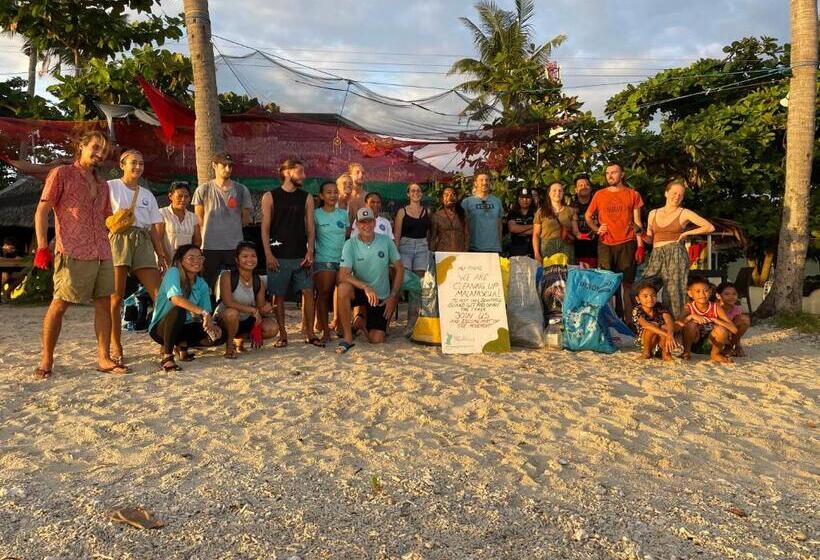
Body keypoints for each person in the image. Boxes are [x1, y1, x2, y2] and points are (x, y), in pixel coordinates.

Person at [32, 130, 125, 378]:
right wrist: (42, 247)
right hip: (72, 250)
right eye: (95, 147)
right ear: (82, 146)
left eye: (104, 151)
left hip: (103, 250)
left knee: (104, 303)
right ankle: (46, 358)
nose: (99, 154)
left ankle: (104, 357)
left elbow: (105, 217)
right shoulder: (61, 174)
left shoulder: (103, 184)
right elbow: (42, 211)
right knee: (60, 304)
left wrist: (118, 221)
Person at [107, 149, 168, 367]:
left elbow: (154, 229)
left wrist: (160, 254)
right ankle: (116, 344)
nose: (138, 167)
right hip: (118, 239)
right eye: (133, 162)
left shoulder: (147, 195)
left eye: (141, 163)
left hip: (142, 239)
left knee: (159, 294)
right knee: (115, 297)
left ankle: (165, 341)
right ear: (122, 165)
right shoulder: (110, 186)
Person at [260, 159, 319, 348]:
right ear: (287, 173)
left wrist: (310, 251)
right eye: (300, 172)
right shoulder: (270, 196)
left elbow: (310, 227)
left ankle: (310, 333)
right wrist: (268, 254)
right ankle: (283, 334)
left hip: (301, 256)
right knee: (278, 296)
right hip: (278, 256)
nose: (304, 176)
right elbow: (265, 228)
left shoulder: (306, 197)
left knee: (308, 292)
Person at [642, 180, 715, 318]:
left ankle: (676, 324)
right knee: (644, 287)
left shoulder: (684, 213)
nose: (677, 197)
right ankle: (649, 321)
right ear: (666, 193)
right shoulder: (653, 213)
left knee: (673, 293)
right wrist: (639, 233)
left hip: (675, 252)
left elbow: (709, 227)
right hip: (656, 254)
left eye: (681, 195)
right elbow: (650, 239)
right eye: (674, 193)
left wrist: (687, 233)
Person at [335, 207, 404, 353]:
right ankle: (348, 337)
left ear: (375, 222)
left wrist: (393, 296)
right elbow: (343, 275)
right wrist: (365, 287)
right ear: (357, 225)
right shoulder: (350, 244)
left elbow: (399, 269)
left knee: (377, 339)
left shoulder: (386, 241)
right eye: (362, 222)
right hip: (362, 291)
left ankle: (361, 321)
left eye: (369, 221)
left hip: (380, 296)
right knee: (342, 288)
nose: (366, 226)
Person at [585, 162, 645, 321]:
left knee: (627, 285)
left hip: (627, 242)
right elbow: (588, 216)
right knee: (607, 283)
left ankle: (629, 323)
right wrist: (597, 229)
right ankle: (610, 322)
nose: (610, 175)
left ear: (622, 174)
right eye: (607, 173)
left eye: (614, 172)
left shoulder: (633, 194)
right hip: (606, 243)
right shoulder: (599, 195)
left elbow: (637, 221)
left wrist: (640, 245)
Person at [149, 244, 217, 371]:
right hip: (161, 329)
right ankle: (167, 357)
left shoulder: (201, 283)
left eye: (200, 258)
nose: (197, 261)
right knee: (178, 310)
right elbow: (176, 299)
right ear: (180, 261)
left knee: (219, 332)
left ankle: (182, 345)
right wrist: (202, 312)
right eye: (191, 258)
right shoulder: (173, 272)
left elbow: (206, 312)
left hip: (185, 327)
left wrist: (211, 325)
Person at [192, 153, 253, 290]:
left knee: (235, 285)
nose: (228, 169)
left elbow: (245, 219)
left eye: (230, 166)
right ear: (214, 166)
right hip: (209, 247)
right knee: (206, 285)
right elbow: (199, 219)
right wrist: (199, 243)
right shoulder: (203, 189)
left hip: (234, 246)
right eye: (224, 165)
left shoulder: (241, 190)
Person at [214, 241, 276, 358]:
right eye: (245, 256)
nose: (250, 259)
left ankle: (240, 339)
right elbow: (228, 302)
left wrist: (267, 308)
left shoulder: (258, 280)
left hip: (246, 319)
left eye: (253, 256)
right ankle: (229, 346)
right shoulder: (227, 276)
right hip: (225, 320)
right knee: (232, 313)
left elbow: (260, 308)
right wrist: (253, 310)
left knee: (272, 328)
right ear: (237, 260)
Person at [313, 180, 350, 343]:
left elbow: (347, 236)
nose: (333, 195)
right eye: (328, 192)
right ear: (321, 196)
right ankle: (325, 331)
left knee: (342, 294)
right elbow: (310, 236)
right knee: (324, 294)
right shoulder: (315, 214)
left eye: (335, 192)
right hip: (324, 260)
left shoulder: (343, 214)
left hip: (342, 262)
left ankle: (341, 326)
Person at [393, 183, 430, 332]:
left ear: (421, 193)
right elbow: (397, 234)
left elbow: (429, 233)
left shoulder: (427, 211)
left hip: (422, 247)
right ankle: (388, 320)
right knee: (402, 281)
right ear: (408, 194)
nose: (416, 193)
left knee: (417, 286)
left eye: (418, 190)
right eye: (412, 190)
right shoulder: (402, 212)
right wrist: (395, 255)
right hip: (405, 247)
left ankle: (411, 324)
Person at [676, 276, 737, 364]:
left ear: (710, 291)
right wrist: (691, 317)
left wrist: (715, 320)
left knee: (721, 330)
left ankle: (715, 354)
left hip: (712, 344)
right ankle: (686, 352)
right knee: (691, 325)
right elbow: (676, 327)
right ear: (690, 293)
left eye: (706, 291)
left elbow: (734, 329)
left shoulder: (716, 307)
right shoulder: (688, 308)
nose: (702, 294)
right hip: (694, 344)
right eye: (698, 291)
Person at [533, 182, 581, 264]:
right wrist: (537, 253)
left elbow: (576, 232)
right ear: (549, 193)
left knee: (567, 271)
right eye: (554, 190)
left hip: (566, 247)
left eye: (560, 191)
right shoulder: (541, 212)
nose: (557, 193)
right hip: (547, 247)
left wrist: (591, 233)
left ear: (563, 193)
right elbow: (536, 234)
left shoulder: (570, 211)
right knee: (549, 271)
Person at [632, 281, 676, 361]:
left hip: (660, 339)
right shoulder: (637, 310)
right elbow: (646, 325)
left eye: (653, 295)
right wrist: (667, 335)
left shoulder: (659, 306)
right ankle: (646, 352)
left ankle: (665, 353)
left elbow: (669, 320)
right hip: (645, 340)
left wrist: (670, 334)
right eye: (645, 296)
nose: (650, 299)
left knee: (666, 327)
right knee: (653, 326)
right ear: (638, 299)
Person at [461, 172, 503, 253]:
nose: (484, 182)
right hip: (474, 248)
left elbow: (500, 225)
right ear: (475, 183)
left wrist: (500, 245)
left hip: (494, 249)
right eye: (481, 180)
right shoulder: (467, 202)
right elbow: (463, 226)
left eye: (487, 180)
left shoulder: (497, 201)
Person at [159, 180, 201, 258]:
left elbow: (197, 241)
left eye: (186, 197)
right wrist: (166, 259)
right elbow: (158, 239)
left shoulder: (193, 217)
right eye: (180, 196)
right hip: (165, 260)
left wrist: (190, 258)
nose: (183, 200)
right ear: (170, 196)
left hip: (185, 261)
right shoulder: (162, 213)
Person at [715, 281, 751, 357]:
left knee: (745, 319)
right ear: (718, 296)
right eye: (727, 294)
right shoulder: (714, 307)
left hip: (728, 336)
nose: (731, 297)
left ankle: (729, 347)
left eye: (734, 294)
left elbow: (737, 330)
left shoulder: (736, 309)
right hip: (715, 337)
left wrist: (738, 345)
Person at [430, 186, 469, 253]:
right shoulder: (436, 216)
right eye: (446, 195)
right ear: (442, 199)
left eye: (453, 194)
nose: (449, 197)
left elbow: (467, 235)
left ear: (456, 198)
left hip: (460, 253)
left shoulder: (463, 215)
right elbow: (433, 237)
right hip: (442, 253)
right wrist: (432, 254)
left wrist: (465, 252)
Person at [571, 173, 597, 268]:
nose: (584, 187)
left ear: (590, 188)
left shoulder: (597, 205)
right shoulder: (570, 208)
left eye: (587, 185)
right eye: (580, 185)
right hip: (576, 251)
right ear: (576, 190)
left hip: (595, 250)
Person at [505, 187, 536, 258]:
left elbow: (538, 230)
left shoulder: (536, 212)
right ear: (517, 199)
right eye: (522, 198)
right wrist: (532, 226)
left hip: (532, 249)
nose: (525, 200)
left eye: (527, 198)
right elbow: (513, 228)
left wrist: (519, 231)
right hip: (516, 249)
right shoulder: (513, 213)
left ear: (531, 199)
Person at [1, 236, 22, 301]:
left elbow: (19, 258)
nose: (13, 250)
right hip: (4, 273)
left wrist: (17, 258)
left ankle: (7, 293)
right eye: (11, 248)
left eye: (14, 248)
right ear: (5, 246)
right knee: (5, 275)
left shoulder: (11, 253)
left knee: (21, 276)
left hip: (9, 272)